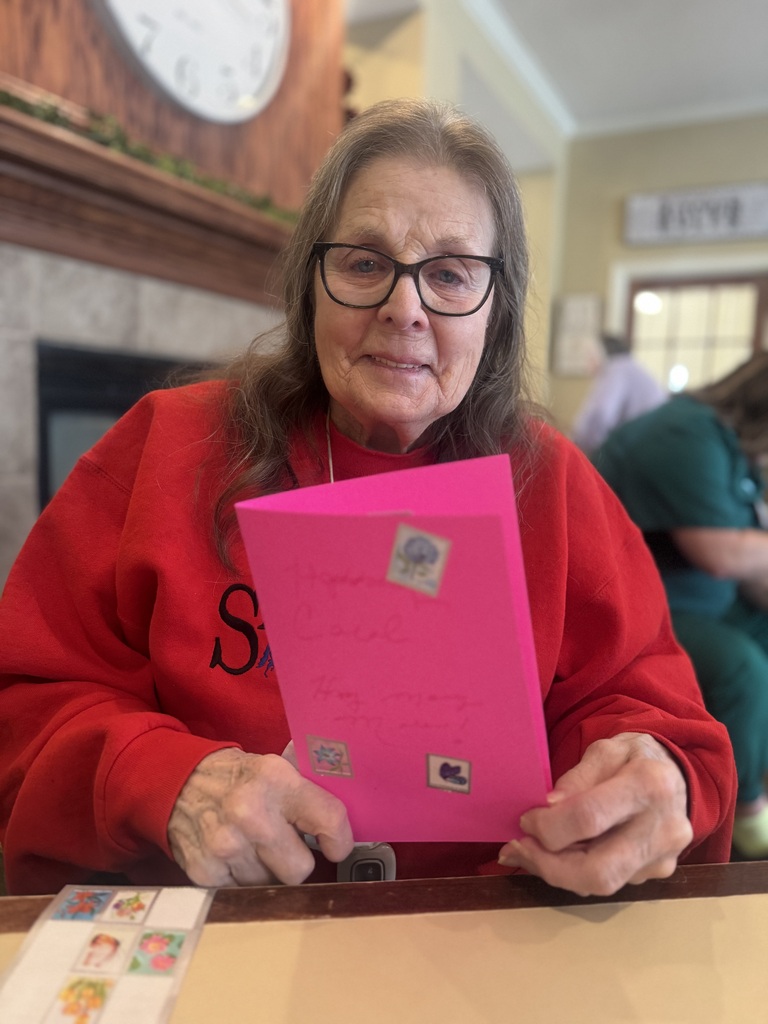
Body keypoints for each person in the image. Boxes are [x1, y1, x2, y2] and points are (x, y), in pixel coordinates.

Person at [0, 98, 734, 899]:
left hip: (482, 924)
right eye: (363, 263)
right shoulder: (165, 446)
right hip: (213, 920)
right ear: (310, 286)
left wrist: (654, 780)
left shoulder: (556, 485)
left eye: (450, 274)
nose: (404, 308)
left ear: (497, 310)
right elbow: (26, 707)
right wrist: (169, 780)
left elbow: (658, 722)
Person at [594, 354, 768, 859]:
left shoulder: (730, 448)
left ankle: (755, 776)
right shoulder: (685, 434)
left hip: (704, 602)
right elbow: (722, 554)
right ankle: (746, 820)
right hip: (646, 607)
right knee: (742, 669)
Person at [571, 332, 667, 456]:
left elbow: (600, 413)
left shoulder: (616, 369)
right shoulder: (629, 367)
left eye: (589, 356)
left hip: (640, 447)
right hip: (652, 442)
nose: (586, 365)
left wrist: (581, 447)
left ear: (600, 354)